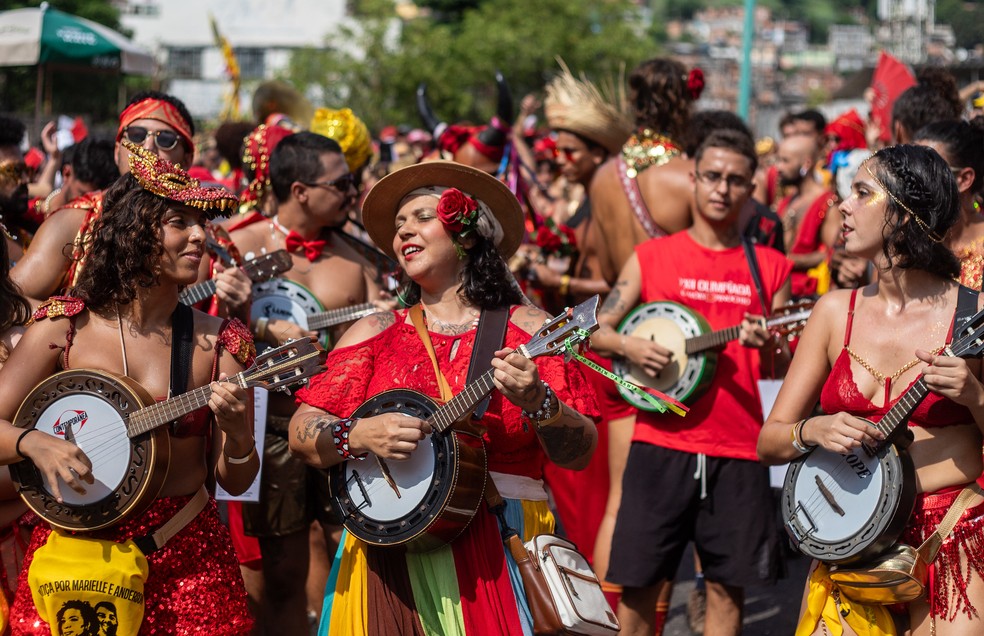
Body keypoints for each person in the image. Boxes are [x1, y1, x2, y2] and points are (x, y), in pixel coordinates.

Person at [287, 160, 599, 634]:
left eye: (421, 217)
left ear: (467, 235)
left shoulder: (531, 330)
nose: (404, 232)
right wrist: (360, 434)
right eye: (398, 225)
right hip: (389, 546)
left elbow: (580, 453)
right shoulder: (373, 332)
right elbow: (302, 435)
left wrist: (539, 401)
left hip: (500, 538)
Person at [3, 141, 257, 635]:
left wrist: (239, 435)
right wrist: (33, 443)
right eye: (179, 222)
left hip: (186, 560)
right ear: (133, 232)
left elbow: (238, 481)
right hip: (73, 562)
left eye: (201, 224)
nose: (198, 237)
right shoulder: (64, 329)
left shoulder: (219, 341)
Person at [757, 144, 984, 636]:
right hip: (850, 539)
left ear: (904, 215)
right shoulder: (834, 311)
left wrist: (975, 398)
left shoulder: (974, 313)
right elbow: (768, 441)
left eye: (862, 193)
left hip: (949, 533)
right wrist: (813, 427)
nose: (843, 205)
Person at [591, 129, 792, 636]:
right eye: (713, 177)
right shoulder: (652, 257)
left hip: (741, 449)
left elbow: (789, 358)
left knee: (726, 592)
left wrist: (767, 344)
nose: (722, 189)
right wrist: (631, 346)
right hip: (660, 443)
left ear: (751, 189)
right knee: (638, 590)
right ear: (694, 180)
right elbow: (596, 331)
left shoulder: (771, 267)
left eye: (736, 180)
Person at [231, 131, 385, 635]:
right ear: (300, 190)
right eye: (342, 183)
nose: (352, 192)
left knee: (354, 552)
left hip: (339, 429)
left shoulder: (359, 260)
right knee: (282, 570)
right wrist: (258, 324)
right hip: (268, 426)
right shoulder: (239, 244)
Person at [11, 91, 252, 319]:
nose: (147, 148)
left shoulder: (213, 247)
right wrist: (79, 330)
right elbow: (11, 299)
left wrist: (240, 309)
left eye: (165, 139)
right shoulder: (74, 222)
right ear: (117, 151)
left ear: (188, 158)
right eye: (136, 135)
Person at [589, 57, 700, 287]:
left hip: (625, 319)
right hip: (676, 317)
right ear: (684, 107)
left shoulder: (602, 176)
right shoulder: (691, 175)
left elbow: (608, 274)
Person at [912, 118, 984, 290]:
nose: (911, 181)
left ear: (964, 179)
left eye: (927, 169)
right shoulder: (903, 246)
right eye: (908, 168)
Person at [773, 134, 840, 299]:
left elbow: (835, 255)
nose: (778, 167)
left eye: (785, 161)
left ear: (806, 164)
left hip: (808, 298)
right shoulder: (786, 202)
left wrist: (789, 261)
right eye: (778, 160)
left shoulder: (828, 203)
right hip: (779, 290)